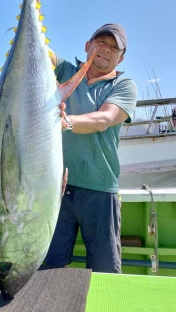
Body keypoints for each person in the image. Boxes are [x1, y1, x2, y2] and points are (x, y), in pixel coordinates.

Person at [46, 23, 137, 273]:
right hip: (58, 188)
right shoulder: (66, 71)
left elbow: (104, 119)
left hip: (100, 190)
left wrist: (64, 123)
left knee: (104, 271)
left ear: (121, 56)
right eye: (101, 42)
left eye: (113, 47)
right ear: (88, 46)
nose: (105, 50)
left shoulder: (123, 85)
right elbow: (42, 50)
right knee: (49, 267)